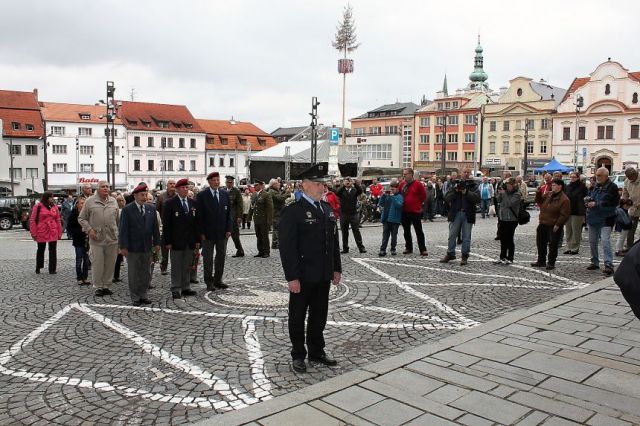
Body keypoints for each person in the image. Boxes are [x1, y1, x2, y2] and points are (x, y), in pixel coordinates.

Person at [278, 163, 342, 373]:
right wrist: (292, 277)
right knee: (297, 316)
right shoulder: (293, 211)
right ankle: (298, 354)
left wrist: (336, 268)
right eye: (316, 183)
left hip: (322, 274)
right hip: (303, 275)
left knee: (319, 315)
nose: (321, 187)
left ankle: (316, 350)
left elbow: (333, 242)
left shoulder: (326, 209)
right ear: (304, 185)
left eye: (322, 184)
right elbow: (287, 248)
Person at [119, 183, 161, 306]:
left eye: (145, 195)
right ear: (135, 195)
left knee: (145, 272)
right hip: (132, 248)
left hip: (147, 246)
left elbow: (155, 228)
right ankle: (135, 296)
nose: (144, 197)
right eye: (142, 195)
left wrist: (157, 243)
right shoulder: (127, 210)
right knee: (134, 273)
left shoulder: (151, 208)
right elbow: (123, 229)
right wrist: (123, 246)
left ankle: (143, 294)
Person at [78, 181, 120, 296]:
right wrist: (89, 229)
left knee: (110, 263)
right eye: (103, 187)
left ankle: (107, 285)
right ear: (98, 188)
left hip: (112, 238)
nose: (106, 188)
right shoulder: (90, 201)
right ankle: (98, 286)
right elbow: (81, 218)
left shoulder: (113, 201)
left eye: (107, 187)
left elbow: (117, 219)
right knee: (97, 263)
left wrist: (117, 232)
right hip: (96, 237)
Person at [162, 178, 200, 299]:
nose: (185, 189)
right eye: (183, 187)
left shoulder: (193, 203)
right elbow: (166, 224)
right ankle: (175, 288)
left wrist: (197, 240)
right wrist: (167, 241)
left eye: (186, 187)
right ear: (177, 189)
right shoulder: (170, 203)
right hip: (176, 241)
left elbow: (196, 224)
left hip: (190, 241)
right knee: (176, 266)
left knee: (187, 265)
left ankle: (185, 287)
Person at [197, 172, 233, 290]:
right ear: (209, 181)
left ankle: (218, 279)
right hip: (208, 233)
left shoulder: (224, 194)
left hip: (222, 232)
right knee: (208, 258)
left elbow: (229, 214)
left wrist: (228, 229)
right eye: (214, 180)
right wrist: (201, 232)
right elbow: (199, 216)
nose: (217, 182)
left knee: (221, 257)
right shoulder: (202, 195)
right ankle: (209, 281)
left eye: (218, 180)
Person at [440, 168, 480, 265]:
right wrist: (455, 190)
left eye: (468, 172)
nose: (466, 174)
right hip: (455, 213)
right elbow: (446, 197)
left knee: (466, 237)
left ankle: (464, 256)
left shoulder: (473, 185)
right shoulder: (454, 184)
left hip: (468, 214)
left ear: (470, 174)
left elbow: (477, 199)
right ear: (461, 174)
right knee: (452, 235)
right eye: (464, 172)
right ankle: (450, 253)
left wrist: (466, 192)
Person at [586, 167, 620, 276]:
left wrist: (596, 204)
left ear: (606, 176)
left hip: (606, 218)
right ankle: (594, 261)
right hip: (593, 218)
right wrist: (588, 201)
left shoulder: (612, 187)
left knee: (605, 241)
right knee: (592, 241)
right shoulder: (595, 186)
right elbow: (590, 197)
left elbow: (611, 202)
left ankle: (608, 264)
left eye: (599, 175)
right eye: (596, 175)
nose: (597, 177)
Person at [531, 179, 571, 270]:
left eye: (554, 185)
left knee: (553, 245)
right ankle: (541, 261)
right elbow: (539, 201)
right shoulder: (548, 194)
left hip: (554, 225)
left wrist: (558, 224)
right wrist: (538, 192)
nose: (552, 186)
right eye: (552, 185)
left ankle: (551, 262)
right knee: (540, 243)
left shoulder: (564, 199)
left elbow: (564, 214)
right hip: (543, 222)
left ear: (560, 186)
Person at [29, 192, 63, 274]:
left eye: (52, 197)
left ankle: (52, 269)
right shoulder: (38, 206)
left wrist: (59, 232)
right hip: (42, 230)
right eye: (50, 197)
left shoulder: (54, 206)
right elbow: (33, 220)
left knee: (53, 250)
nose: (52, 199)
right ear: (46, 198)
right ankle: (39, 266)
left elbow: (58, 220)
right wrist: (33, 233)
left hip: (53, 229)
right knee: (41, 249)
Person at [398, 168, 427, 256]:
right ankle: (408, 247)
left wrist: (417, 203)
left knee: (418, 231)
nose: (404, 176)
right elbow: (399, 194)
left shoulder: (418, 184)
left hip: (415, 211)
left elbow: (423, 196)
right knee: (406, 231)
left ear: (411, 174)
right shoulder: (402, 184)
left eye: (406, 174)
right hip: (405, 211)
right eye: (404, 174)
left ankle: (422, 249)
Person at [335, 177, 366, 254]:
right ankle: (345, 248)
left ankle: (361, 248)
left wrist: (354, 183)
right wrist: (343, 185)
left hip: (353, 214)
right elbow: (337, 193)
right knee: (344, 232)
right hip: (344, 214)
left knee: (356, 231)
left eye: (349, 181)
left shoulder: (354, 190)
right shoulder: (341, 190)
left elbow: (360, 191)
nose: (348, 183)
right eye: (346, 181)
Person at [494, 178, 521, 265]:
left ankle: (510, 257)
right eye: (507, 185)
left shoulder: (517, 194)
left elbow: (510, 203)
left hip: (511, 219)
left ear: (513, 185)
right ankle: (502, 257)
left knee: (509, 238)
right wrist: (500, 193)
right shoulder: (504, 192)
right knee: (502, 238)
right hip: (502, 218)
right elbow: (498, 200)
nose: (508, 187)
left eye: (510, 185)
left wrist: (504, 194)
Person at [66, 197, 91, 285]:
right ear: (77, 204)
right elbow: (69, 228)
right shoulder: (73, 214)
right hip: (78, 240)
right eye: (81, 203)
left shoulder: (88, 214)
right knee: (79, 260)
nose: (83, 204)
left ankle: (85, 277)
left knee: (86, 260)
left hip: (87, 240)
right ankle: (79, 278)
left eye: (84, 203)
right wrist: (79, 231)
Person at [155, 179, 176, 276]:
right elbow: (157, 211)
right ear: (167, 185)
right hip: (164, 226)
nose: (172, 185)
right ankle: (163, 267)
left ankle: (175, 266)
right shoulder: (161, 197)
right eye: (170, 184)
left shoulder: (177, 196)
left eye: (173, 184)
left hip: (175, 226)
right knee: (164, 249)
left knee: (175, 248)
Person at [564, 171, 588, 255]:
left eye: (574, 177)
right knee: (568, 230)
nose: (572, 178)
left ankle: (575, 248)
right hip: (568, 211)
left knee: (576, 230)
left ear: (578, 178)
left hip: (577, 211)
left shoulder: (582, 187)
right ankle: (569, 247)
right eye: (571, 177)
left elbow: (584, 198)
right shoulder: (567, 186)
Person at [378, 180, 403, 256]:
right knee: (385, 236)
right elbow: (381, 204)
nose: (391, 190)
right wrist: (383, 195)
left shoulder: (399, 196)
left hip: (395, 220)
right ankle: (383, 250)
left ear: (397, 189)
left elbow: (399, 206)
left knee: (394, 236)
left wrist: (393, 198)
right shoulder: (387, 195)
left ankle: (393, 249)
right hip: (386, 219)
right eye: (391, 189)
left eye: (393, 189)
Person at [251, 180, 274, 257]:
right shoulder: (254, 194)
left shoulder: (266, 194)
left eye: (256, 185)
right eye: (254, 185)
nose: (254, 187)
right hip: (257, 219)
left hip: (264, 220)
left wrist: (269, 221)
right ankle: (260, 251)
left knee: (264, 236)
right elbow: (252, 207)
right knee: (258, 236)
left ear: (260, 185)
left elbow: (270, 209)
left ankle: (266, 252)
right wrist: (249, 217)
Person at [224, 176, 245, 257]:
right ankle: (222, 251)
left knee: (235, 235)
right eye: (227, 182)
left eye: (230, 182)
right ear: (225, 182)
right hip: (224, 217)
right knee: (223, 235)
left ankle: (240, 250)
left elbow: (240, 204)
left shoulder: (236, 191)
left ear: (233, 183)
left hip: (233, 217)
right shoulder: (222, 190)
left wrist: (239, 217)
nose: (229, 184)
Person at [268, 178, 289, 250]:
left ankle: (276, 243)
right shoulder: (272, 191)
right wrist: (287, 194)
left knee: (277, 228)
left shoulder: (274, 191)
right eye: (277, 183)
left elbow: (279, 196)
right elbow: (280, 198)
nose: (279, 184)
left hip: (278, 212)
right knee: (277, 228)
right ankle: (275, 244)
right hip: (276, 213)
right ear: (273, 185)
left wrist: (284, 191)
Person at [623, 167, 640, 251]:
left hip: (638, 204)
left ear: (635, 175)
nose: (630, 179)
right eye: (628, 177)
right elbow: (625, 192)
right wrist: (625, 201)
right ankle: (629, 246)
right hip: (633, 207)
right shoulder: (627, 181)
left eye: (631, 177)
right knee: (630, 227)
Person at [112, 195, 126, 283]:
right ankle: (113, 275)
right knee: (115, 257)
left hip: (123, 237)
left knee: (119, 257)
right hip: (115, 236)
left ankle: (116, 275)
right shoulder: (115, 211)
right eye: (119, 201)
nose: (121, 202)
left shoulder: (126, 210)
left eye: (122, 200)